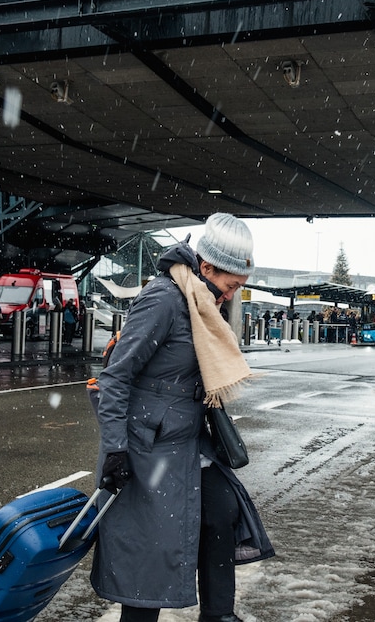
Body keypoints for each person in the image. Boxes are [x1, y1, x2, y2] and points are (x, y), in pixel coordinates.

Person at [91, 212, 274, 622]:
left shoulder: (201, 302)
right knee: (150, 559)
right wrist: (115, 450)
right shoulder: (165, 299)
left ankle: (218, 616)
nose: (230, 296)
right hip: (148, 448)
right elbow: (116, 377)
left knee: (223, 510)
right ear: (206, 267)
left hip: (188, 442)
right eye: (230, 286)